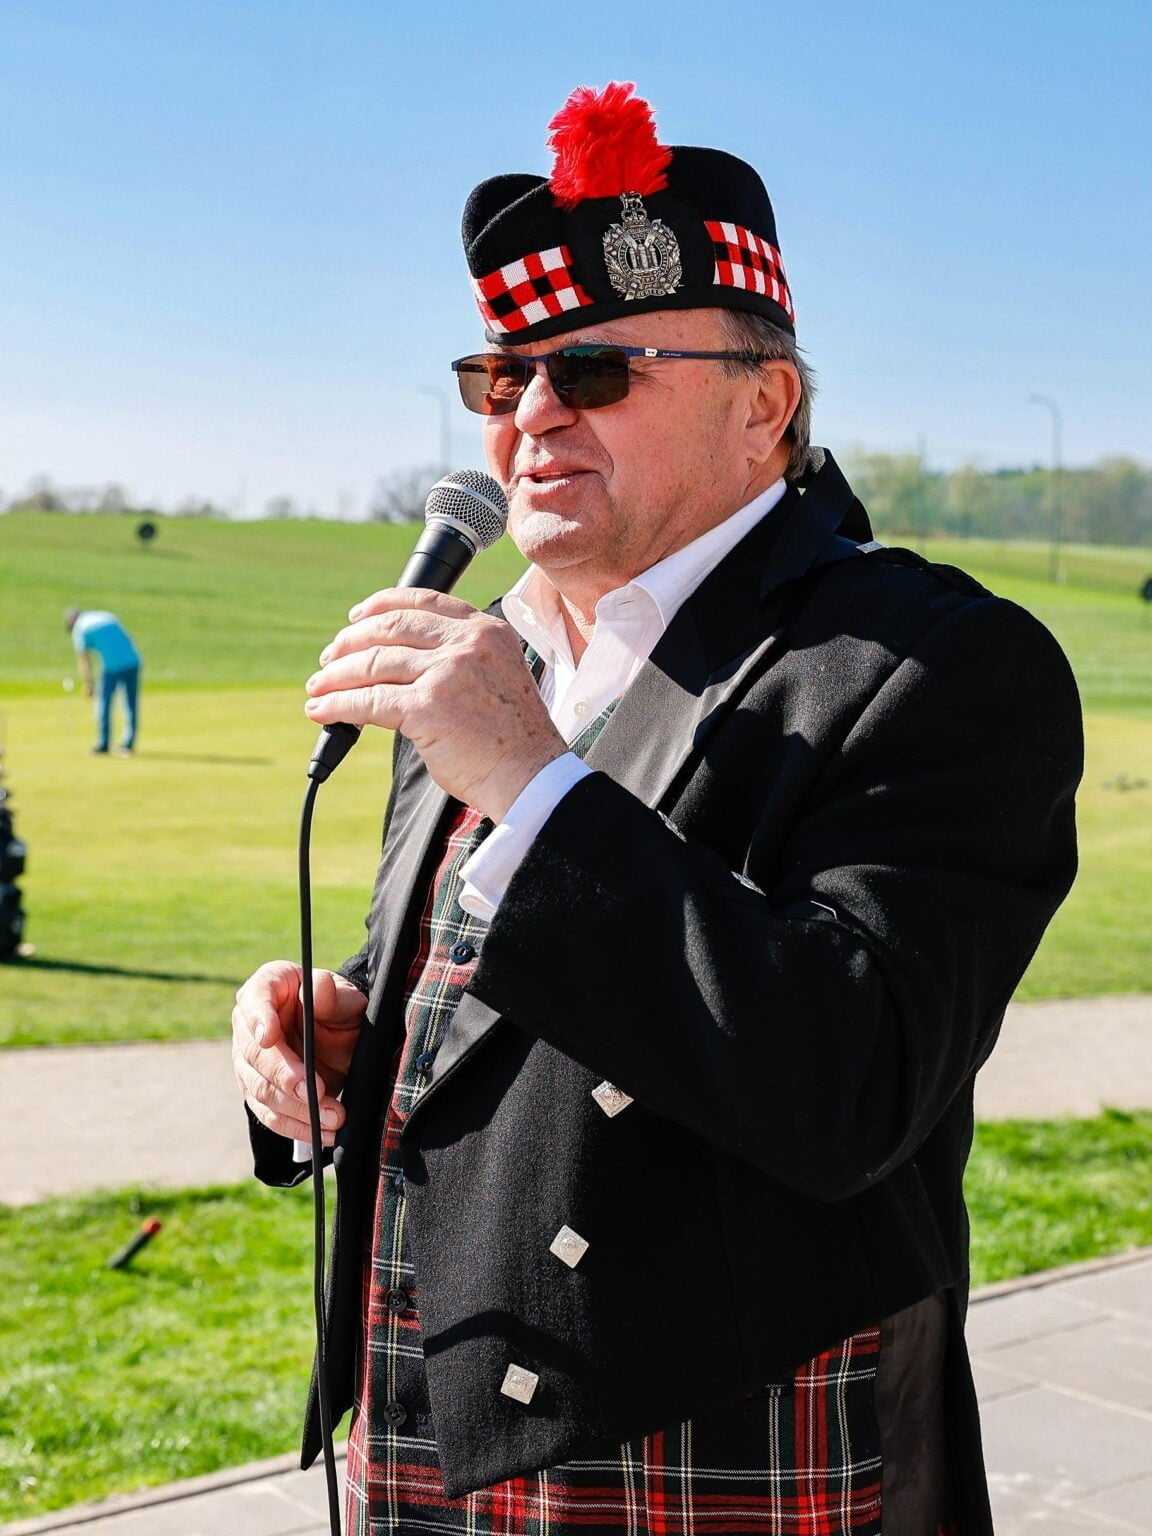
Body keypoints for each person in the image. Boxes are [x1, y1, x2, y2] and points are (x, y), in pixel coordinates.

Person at [232, 83, 1082, 1534]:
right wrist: (337, 1041)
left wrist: (531, 782)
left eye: (596, 370)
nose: (532, 414)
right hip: (419, 1419)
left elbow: (854, 1082)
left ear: (766, 404)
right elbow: (470, 1008)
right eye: (501, 376)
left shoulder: (938, 665)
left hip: (719, 1442)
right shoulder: (490, 656)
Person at [65, 608, 141, 754]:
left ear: (71, 622)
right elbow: (127, 638)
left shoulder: (79, 628)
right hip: (133, 661)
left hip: (112, 667)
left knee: (104, 703)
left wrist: (89, 684)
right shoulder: (105, 616)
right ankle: (128, 743)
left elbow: (84, 660)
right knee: (130, 703)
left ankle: (104, 743)